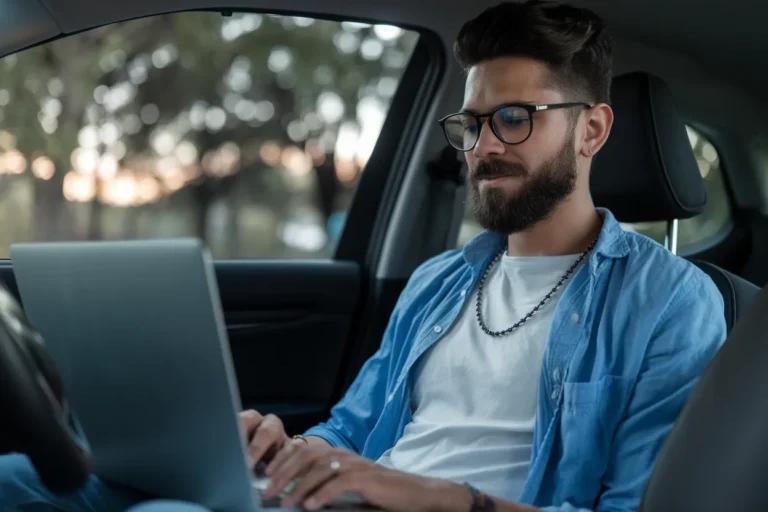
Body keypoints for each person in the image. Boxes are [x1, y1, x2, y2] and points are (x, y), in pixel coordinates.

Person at [0, 1, 727, 511]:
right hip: (341, 502)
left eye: (514, 118)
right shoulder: (443, 281)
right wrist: (285, 446)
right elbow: (352, 428)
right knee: (23, 479)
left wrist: (439, 497)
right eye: (470, 124)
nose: (484, 148)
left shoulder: (673, 303)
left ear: (592, 130)